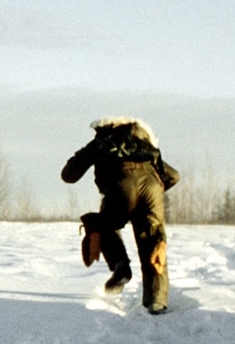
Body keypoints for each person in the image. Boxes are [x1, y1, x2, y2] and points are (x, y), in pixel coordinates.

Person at [61, 117, 180, 314]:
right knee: (154, 240)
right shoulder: (144, 145)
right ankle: (157, 302)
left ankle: (120, 266)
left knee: (103, 224)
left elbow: (68, 175)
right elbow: (174, 176)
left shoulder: (101, 142)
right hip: (152, 189)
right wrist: (155, 193)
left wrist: (90, 154)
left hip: (120, 186)